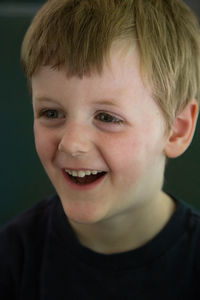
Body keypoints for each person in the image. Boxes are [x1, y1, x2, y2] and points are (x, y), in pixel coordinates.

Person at [1, 0, 200, 299]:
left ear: (177, 130)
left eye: (107, 118)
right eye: (51, 113)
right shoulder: (13, 258)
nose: (71, 143)